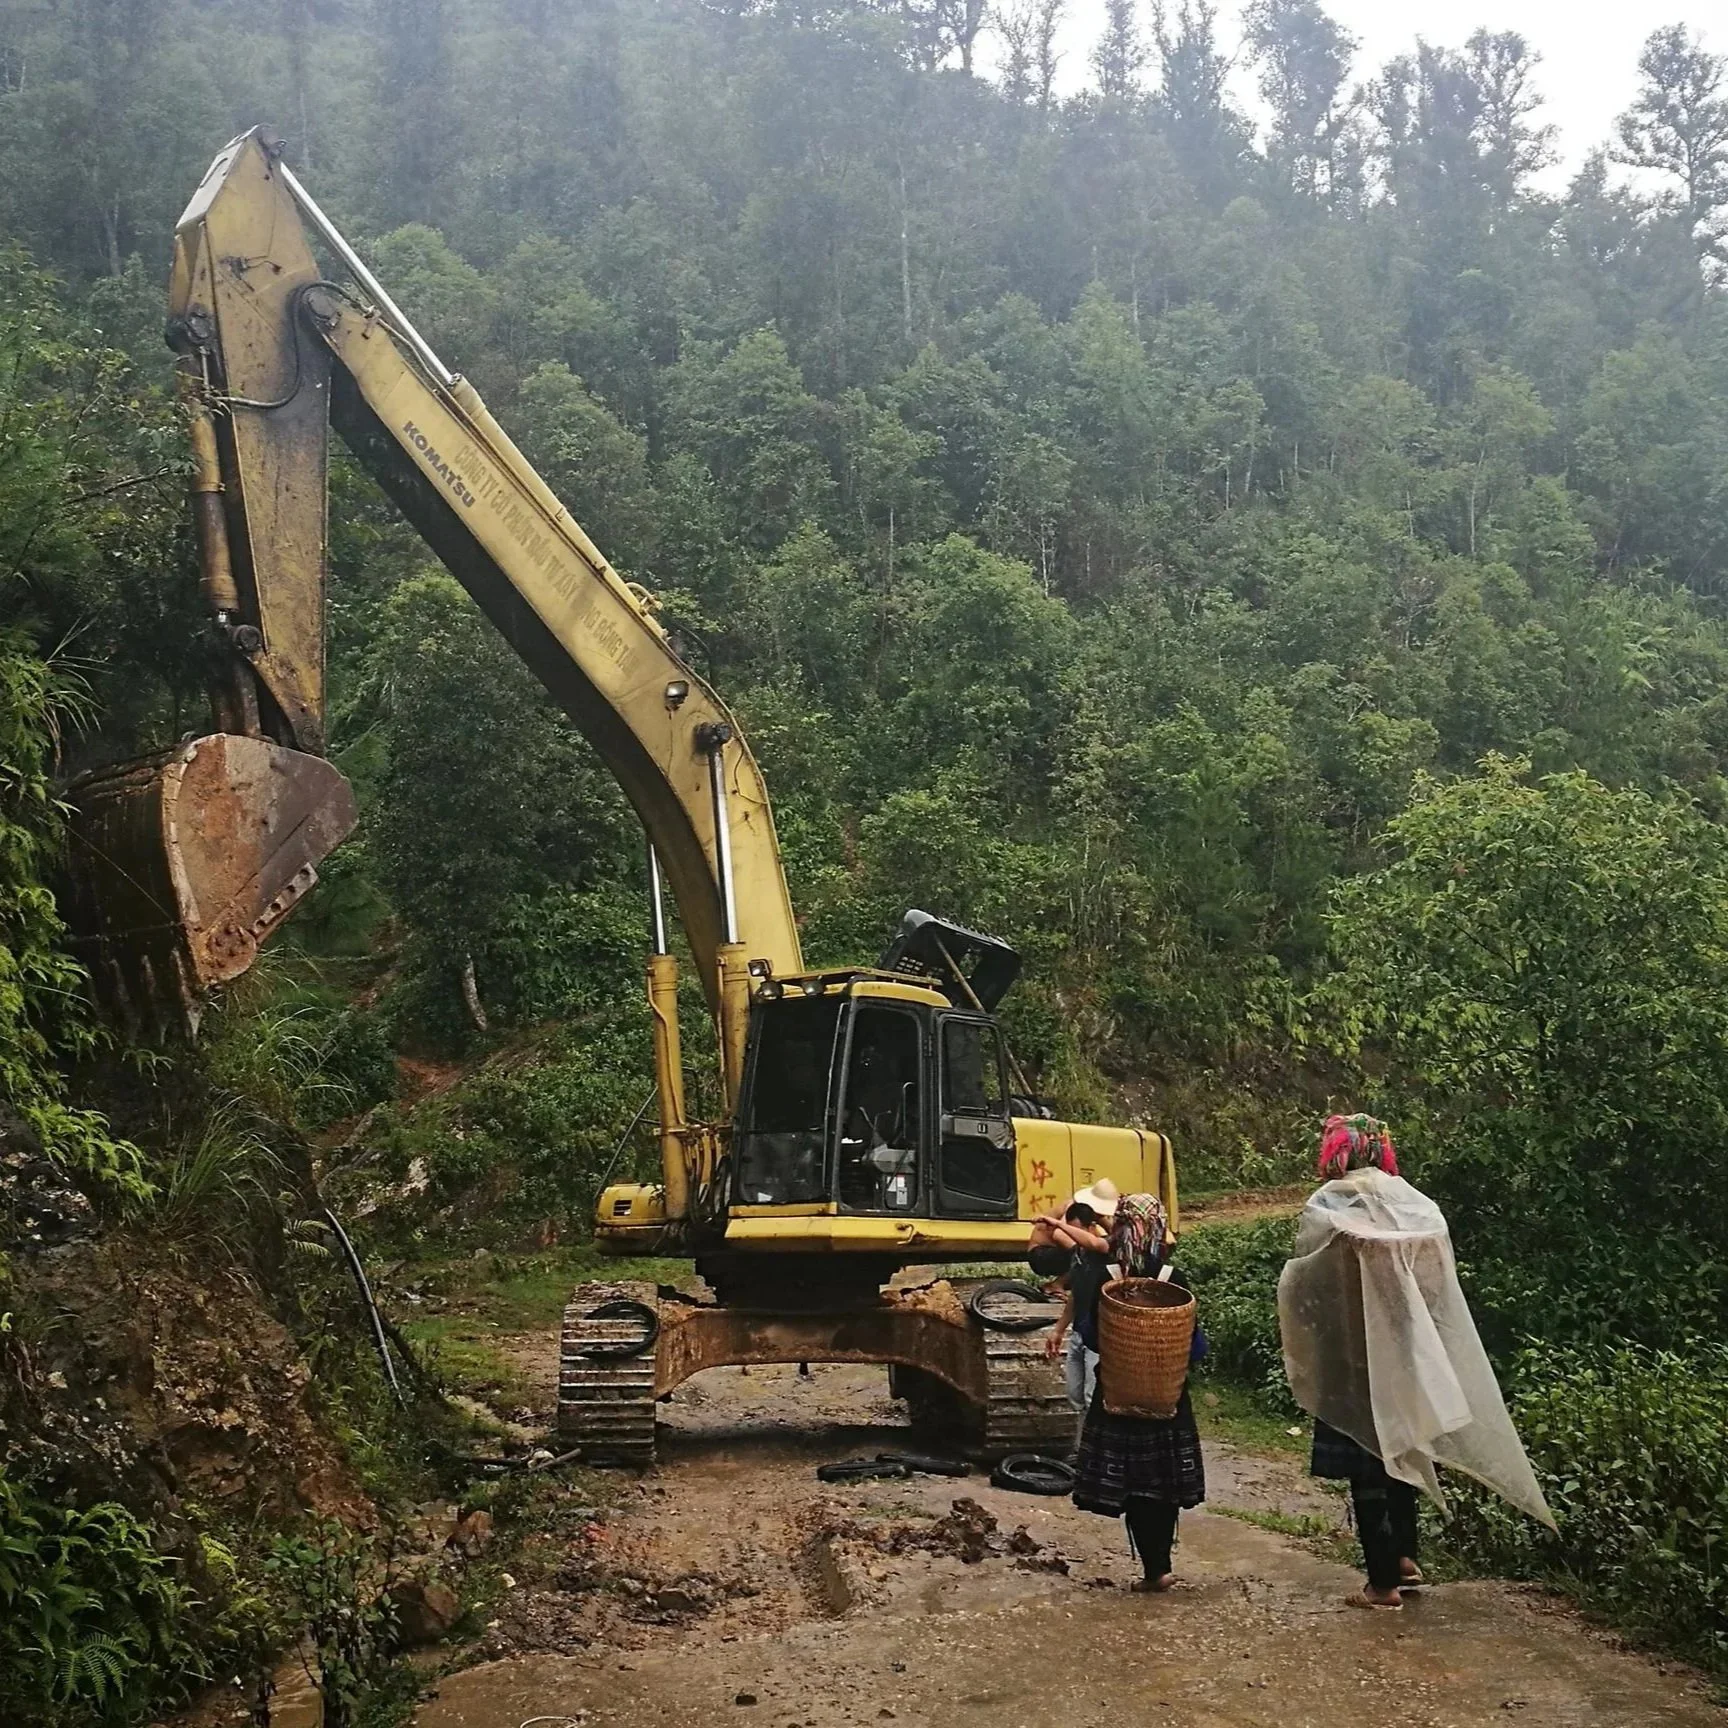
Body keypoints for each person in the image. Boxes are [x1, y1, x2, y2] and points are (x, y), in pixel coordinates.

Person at [1279, 1113, 1554, 1612]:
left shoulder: (1330, 1206)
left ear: (1337, 1153)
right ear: (1380, 1150)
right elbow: (1431, 1285)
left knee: (1368, 1466)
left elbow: (1308, 1287)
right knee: (1404, 1450)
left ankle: (1381, 1584)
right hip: (1408, 1357)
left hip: (1354, 1361)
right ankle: (1405, 1557)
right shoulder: (1413, 1206)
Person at [1070, 1192, 1205, 1594]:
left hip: (1118, 1397)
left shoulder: (1105, 1276)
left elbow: (1091, 1335)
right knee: (1161, 1487)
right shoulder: (1172, 1277)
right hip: (1169, 1401)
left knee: (1132, 1484)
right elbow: (1196, 1345)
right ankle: (1160, 1565)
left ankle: (1153, 1570)